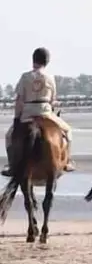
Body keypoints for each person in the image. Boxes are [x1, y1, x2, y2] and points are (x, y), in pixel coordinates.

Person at [2, 47, 75, 177]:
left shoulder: (25, 77)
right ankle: (67, 162)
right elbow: (52, 101)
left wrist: (16, 118)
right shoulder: (50, 77)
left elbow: (19, 101)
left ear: (33, 60)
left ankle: (12, 165)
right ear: (47, 62)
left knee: (9, 137)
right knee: (68, 131)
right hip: (46, 113)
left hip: (28, 114)